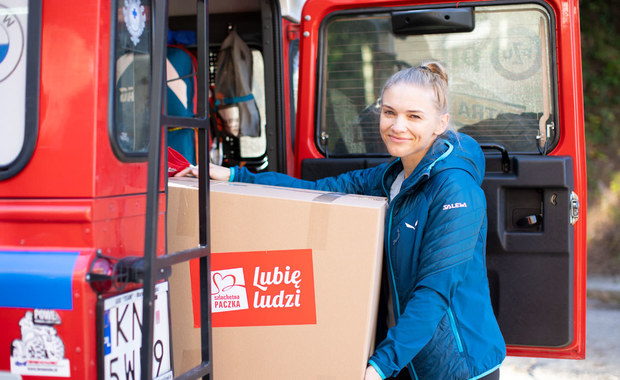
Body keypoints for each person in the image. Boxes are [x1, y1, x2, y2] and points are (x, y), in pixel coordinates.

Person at [209, 61, 506, 380]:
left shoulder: (455, 192)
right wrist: (235, 175)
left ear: (440, 123)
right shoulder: (394, 175)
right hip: (407, 358)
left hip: (457, 367)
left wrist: (381, 365)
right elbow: (319, 189)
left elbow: (433, 293)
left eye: (414, 116)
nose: (397, 126)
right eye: (389, 112)